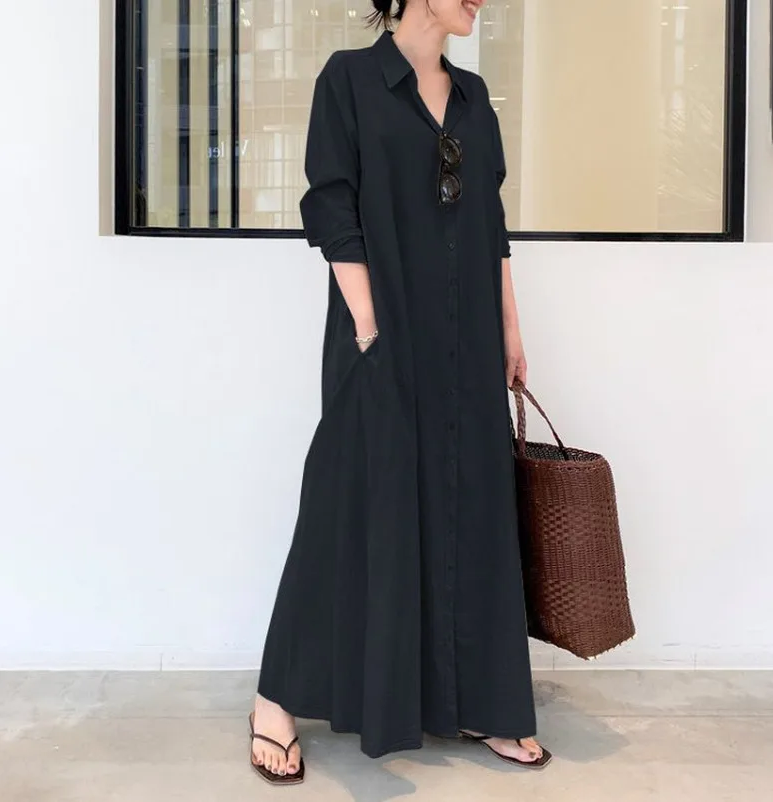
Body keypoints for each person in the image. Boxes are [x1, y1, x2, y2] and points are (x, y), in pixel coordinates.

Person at [248, 0, 552, 785]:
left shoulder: (475, 97)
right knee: (350, 505)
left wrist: (510, 330)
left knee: (470, 508)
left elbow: (490, 223)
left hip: (467, 340)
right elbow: (331, 205)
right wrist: (368, 326)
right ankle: (276, 698)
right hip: (381, 335)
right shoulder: (349, 81)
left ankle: (476, 699)